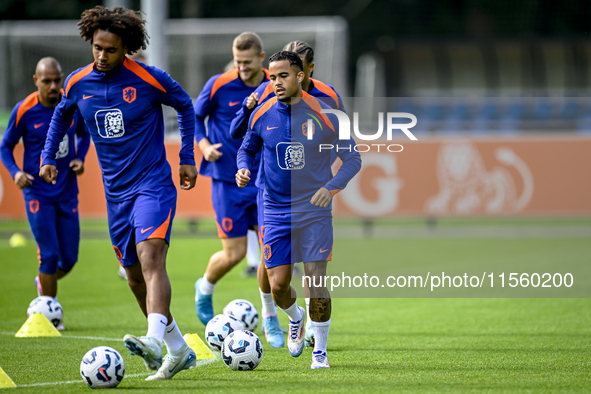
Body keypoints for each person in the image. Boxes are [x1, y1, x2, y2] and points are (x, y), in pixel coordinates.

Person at [39, 6, 198, 381]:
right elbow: (62, 114)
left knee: (151, 257)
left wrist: (187, 156)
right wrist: (48, 155)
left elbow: (185, 105)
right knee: (133, 277)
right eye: (97, 48)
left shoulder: (148, 78)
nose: (102, 56)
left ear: (125, 47)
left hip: (153, 185)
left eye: (110, 50)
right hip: (116, 196)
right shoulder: (79, 82)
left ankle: (155, 342)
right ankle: (178, 350)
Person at [236, 51, 361, 369]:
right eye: (273, 77)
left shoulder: (327, 115)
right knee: (277, 284)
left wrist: (330, 188)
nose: (276, 82)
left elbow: (353, 159)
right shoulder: (262, 114)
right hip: (275, 209)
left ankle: (320, 351)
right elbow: (247, 147)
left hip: (313, 211)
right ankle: (295, 316)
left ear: (301, 76)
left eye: (284, 76)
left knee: (315, 277)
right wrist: (243, 168)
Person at [0, 57, 90, 331]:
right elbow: (5, 147)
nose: (53, 86)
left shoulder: (71, 104)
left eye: (57, 80)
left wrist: (81, 158)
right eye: (47, 81)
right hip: (37, 193)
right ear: (36, 80)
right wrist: (15, 172)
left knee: (69, 259)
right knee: (49, 255)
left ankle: (43, 281)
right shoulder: (24, 110)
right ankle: (51, 315)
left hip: (67, 191)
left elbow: (85, 135)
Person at [193, 32, 270, 326]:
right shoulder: (219, 84)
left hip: (264, 180)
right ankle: (205, 288)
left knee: (272, 253)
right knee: (234, 254)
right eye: (238, 61)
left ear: (261, 58)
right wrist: (203, 145)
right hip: (227, 180)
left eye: (247, 62)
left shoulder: (273, 85)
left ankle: (271, 315)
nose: (242, 67)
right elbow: (196, 116)